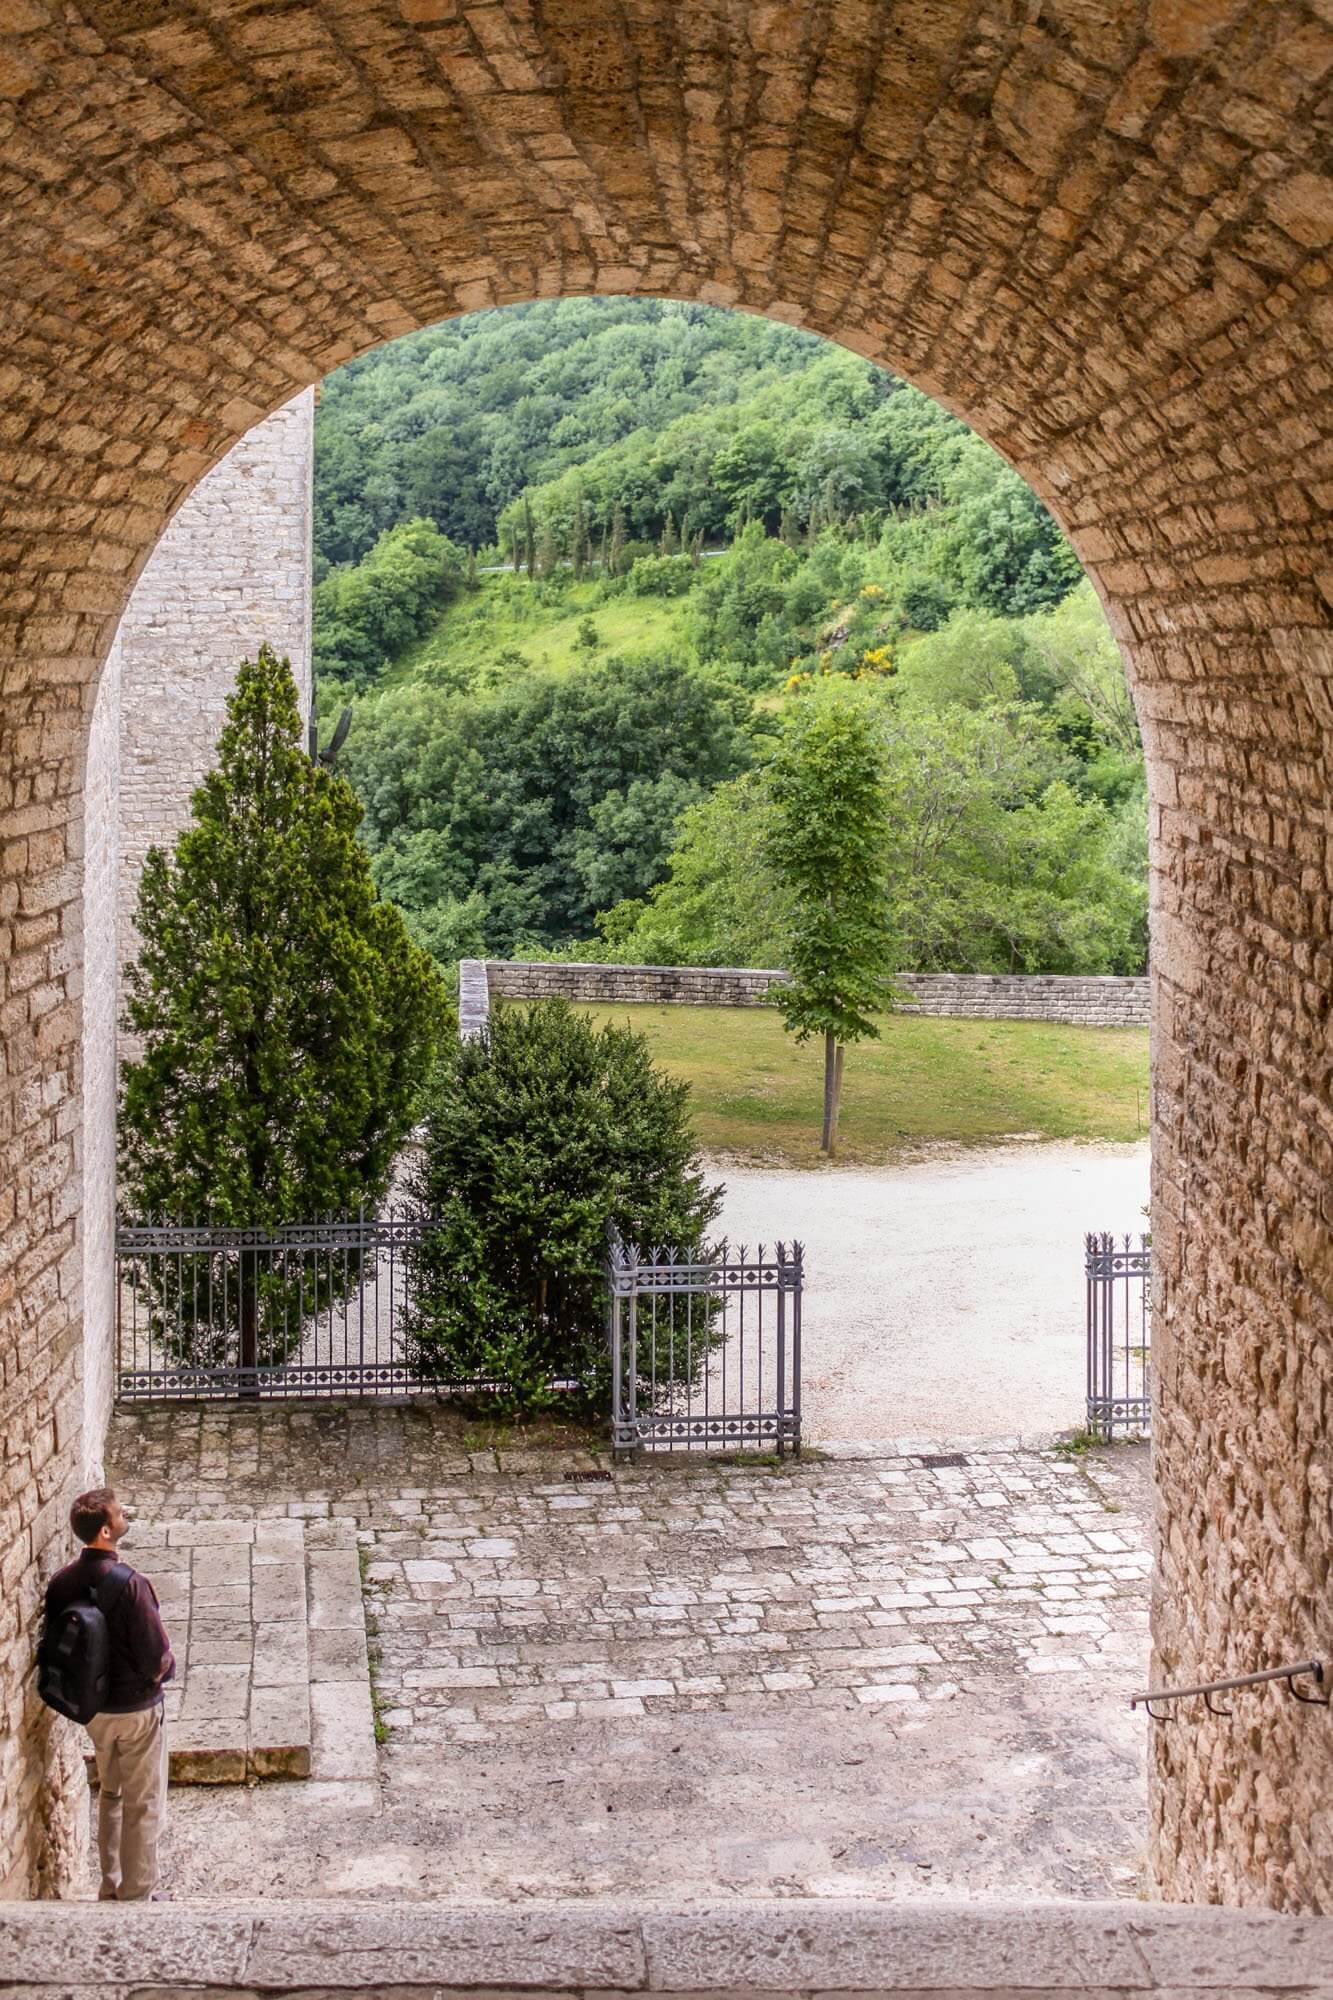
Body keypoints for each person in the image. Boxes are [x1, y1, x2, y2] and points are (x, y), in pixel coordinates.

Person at [43, 1488, 175, 1901]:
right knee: (144, 1800)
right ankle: (137, 1893)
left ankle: (110, 1883)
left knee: (112, 1793)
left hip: (95, 1712)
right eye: (119, 1514)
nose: (124, 1515)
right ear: (105, 1531)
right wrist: (164, 1672)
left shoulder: (62, 1583)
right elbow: (156, 1655)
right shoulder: (132, 1585)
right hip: (136, 1710)